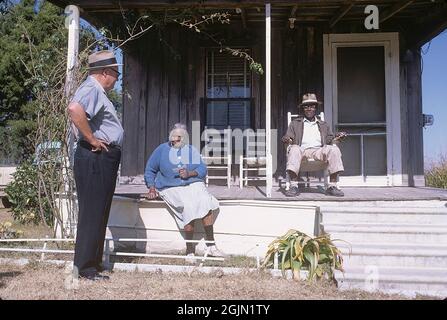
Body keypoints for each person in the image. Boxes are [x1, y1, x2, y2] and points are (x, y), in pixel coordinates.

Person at [67, 50, 123, 281]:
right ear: (105, 73)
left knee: (99, 211)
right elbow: (74, 110)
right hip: (94, 156)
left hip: (101, 157)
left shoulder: (97, 91)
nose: (117, 79)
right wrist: (91, 139)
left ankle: (94, 263)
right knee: (92, 211)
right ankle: (85, 267)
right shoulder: (92, 88)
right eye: (116, 75)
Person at [144, 123, 224, 264]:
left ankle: (211, 245)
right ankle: (190, 249)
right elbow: (150, 170)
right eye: (176, 136)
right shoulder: (161, 150)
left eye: (181, 137)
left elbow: (202, 169)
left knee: (206, 200)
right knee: (188, 205)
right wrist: (151, 187)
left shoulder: (190, 150)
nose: (178, 139)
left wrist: (190, 173)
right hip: (170, 187)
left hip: (193, 183)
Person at [282, 93, 346, 197]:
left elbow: (330, 139)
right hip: (301, 151)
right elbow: (289, 137)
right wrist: (287, 139)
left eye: (312, 106)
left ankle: (332, 186)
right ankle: (294, 186)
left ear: (315, 108)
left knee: (334, 150)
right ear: (303, 108)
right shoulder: (295, 123)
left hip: (319, 151)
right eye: (306, 106)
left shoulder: (323, 124)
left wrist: (337, 137)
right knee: (294, 149)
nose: (309, 109)